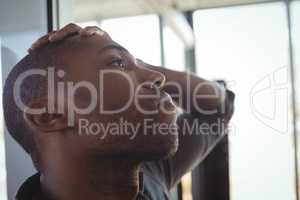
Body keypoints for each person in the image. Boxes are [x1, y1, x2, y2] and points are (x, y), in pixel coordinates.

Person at [3, 24, 235, 200]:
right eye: (117, 64)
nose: (159, 78)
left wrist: (131, 61)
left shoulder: (151, 179)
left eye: (143, 66)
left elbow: (218, 107)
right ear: (49, 115)